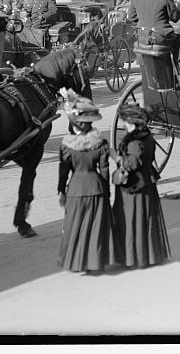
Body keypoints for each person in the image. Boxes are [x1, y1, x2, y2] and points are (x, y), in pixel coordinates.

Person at [111, 104, 171, 269]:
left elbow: (132, 164)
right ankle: (147, 253)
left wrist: (115, 157)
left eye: (124, 121)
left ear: (131, 122)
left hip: (135, 186)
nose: (122, 124)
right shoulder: (147, 137)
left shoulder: (135, 141)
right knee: (144, 220)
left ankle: (134, 257)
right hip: (145, 182)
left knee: (132, 220)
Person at [57, 98, 110, 274]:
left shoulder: (67, 145)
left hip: (75, 189)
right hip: (96, 188)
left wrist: (61, 190)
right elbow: (104, 169)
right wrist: (107, 192)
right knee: (95, 227)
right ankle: (94, 263)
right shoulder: (100, 143)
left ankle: (75, 262)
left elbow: (63, 171)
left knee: (74, 226)